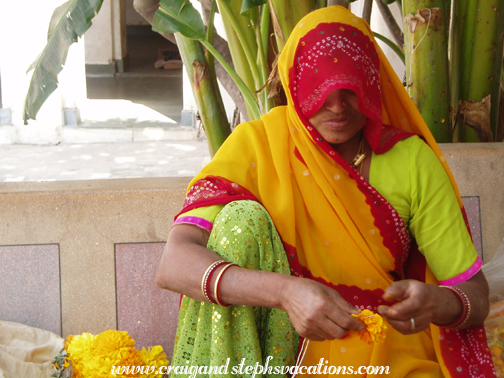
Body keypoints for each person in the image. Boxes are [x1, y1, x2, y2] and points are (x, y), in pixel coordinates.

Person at [156, 6, 495, 377]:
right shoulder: (258, 146)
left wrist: (438, 303)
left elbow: (474, 296)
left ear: (372, 82)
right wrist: (286, 294)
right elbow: (174, 263)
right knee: (241, 221)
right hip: (279, 350)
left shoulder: (411, 161)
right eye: (320, 88)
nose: (336, 106)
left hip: (384, 345)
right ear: (295, 83)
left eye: (350, 89)